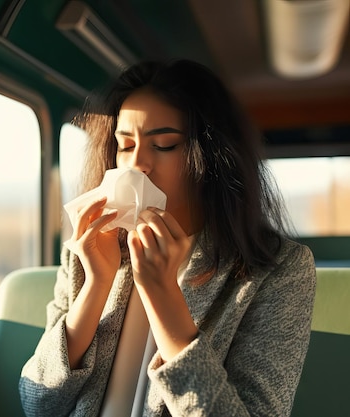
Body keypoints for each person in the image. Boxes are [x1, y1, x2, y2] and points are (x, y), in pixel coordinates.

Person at [18, 59, 316, 416]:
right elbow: (38, 405)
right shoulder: (88, 251)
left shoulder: (280, 270)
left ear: (211, 159)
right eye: (125, 146)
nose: (137, 163)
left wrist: (164, 297)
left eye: (163, 145)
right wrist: (96, 283)